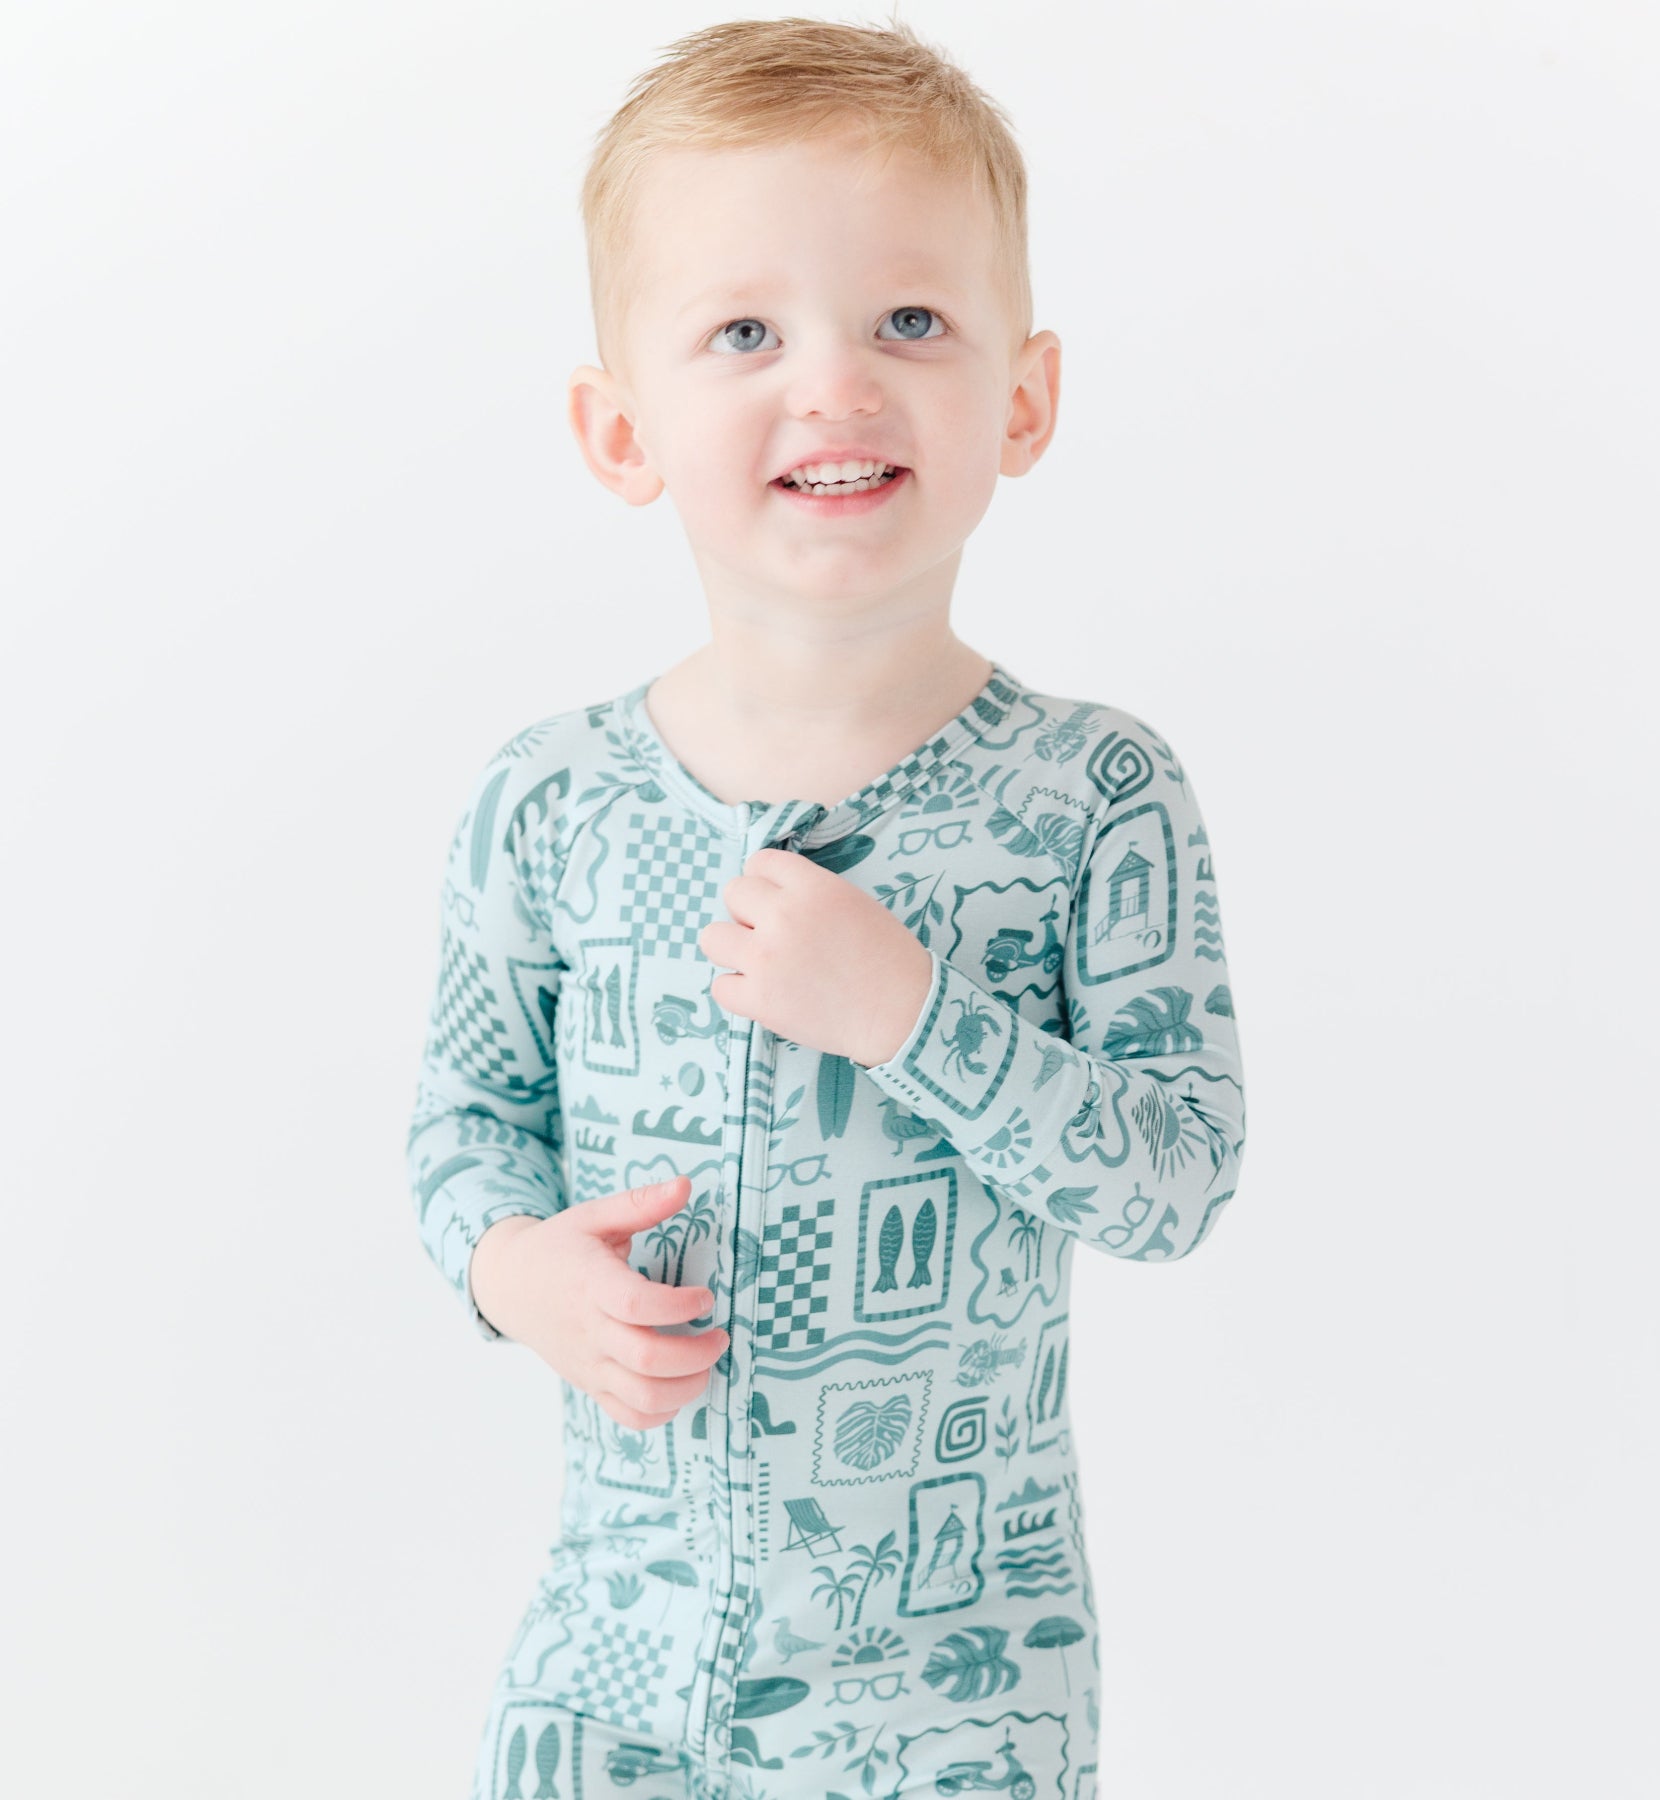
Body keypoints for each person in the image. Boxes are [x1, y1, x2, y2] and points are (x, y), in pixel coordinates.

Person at [405, 17, 1248, 1800]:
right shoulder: (548, 800)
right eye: (745, 333)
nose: (836, 385)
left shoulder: (1097, 797)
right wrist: (511, 1274)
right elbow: (466, 1118)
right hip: (611, 1669)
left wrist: (912, 1018)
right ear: (621, 430)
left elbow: (1176, 1180)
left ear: (1022, 397)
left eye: (912, 323)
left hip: (960, 1700)